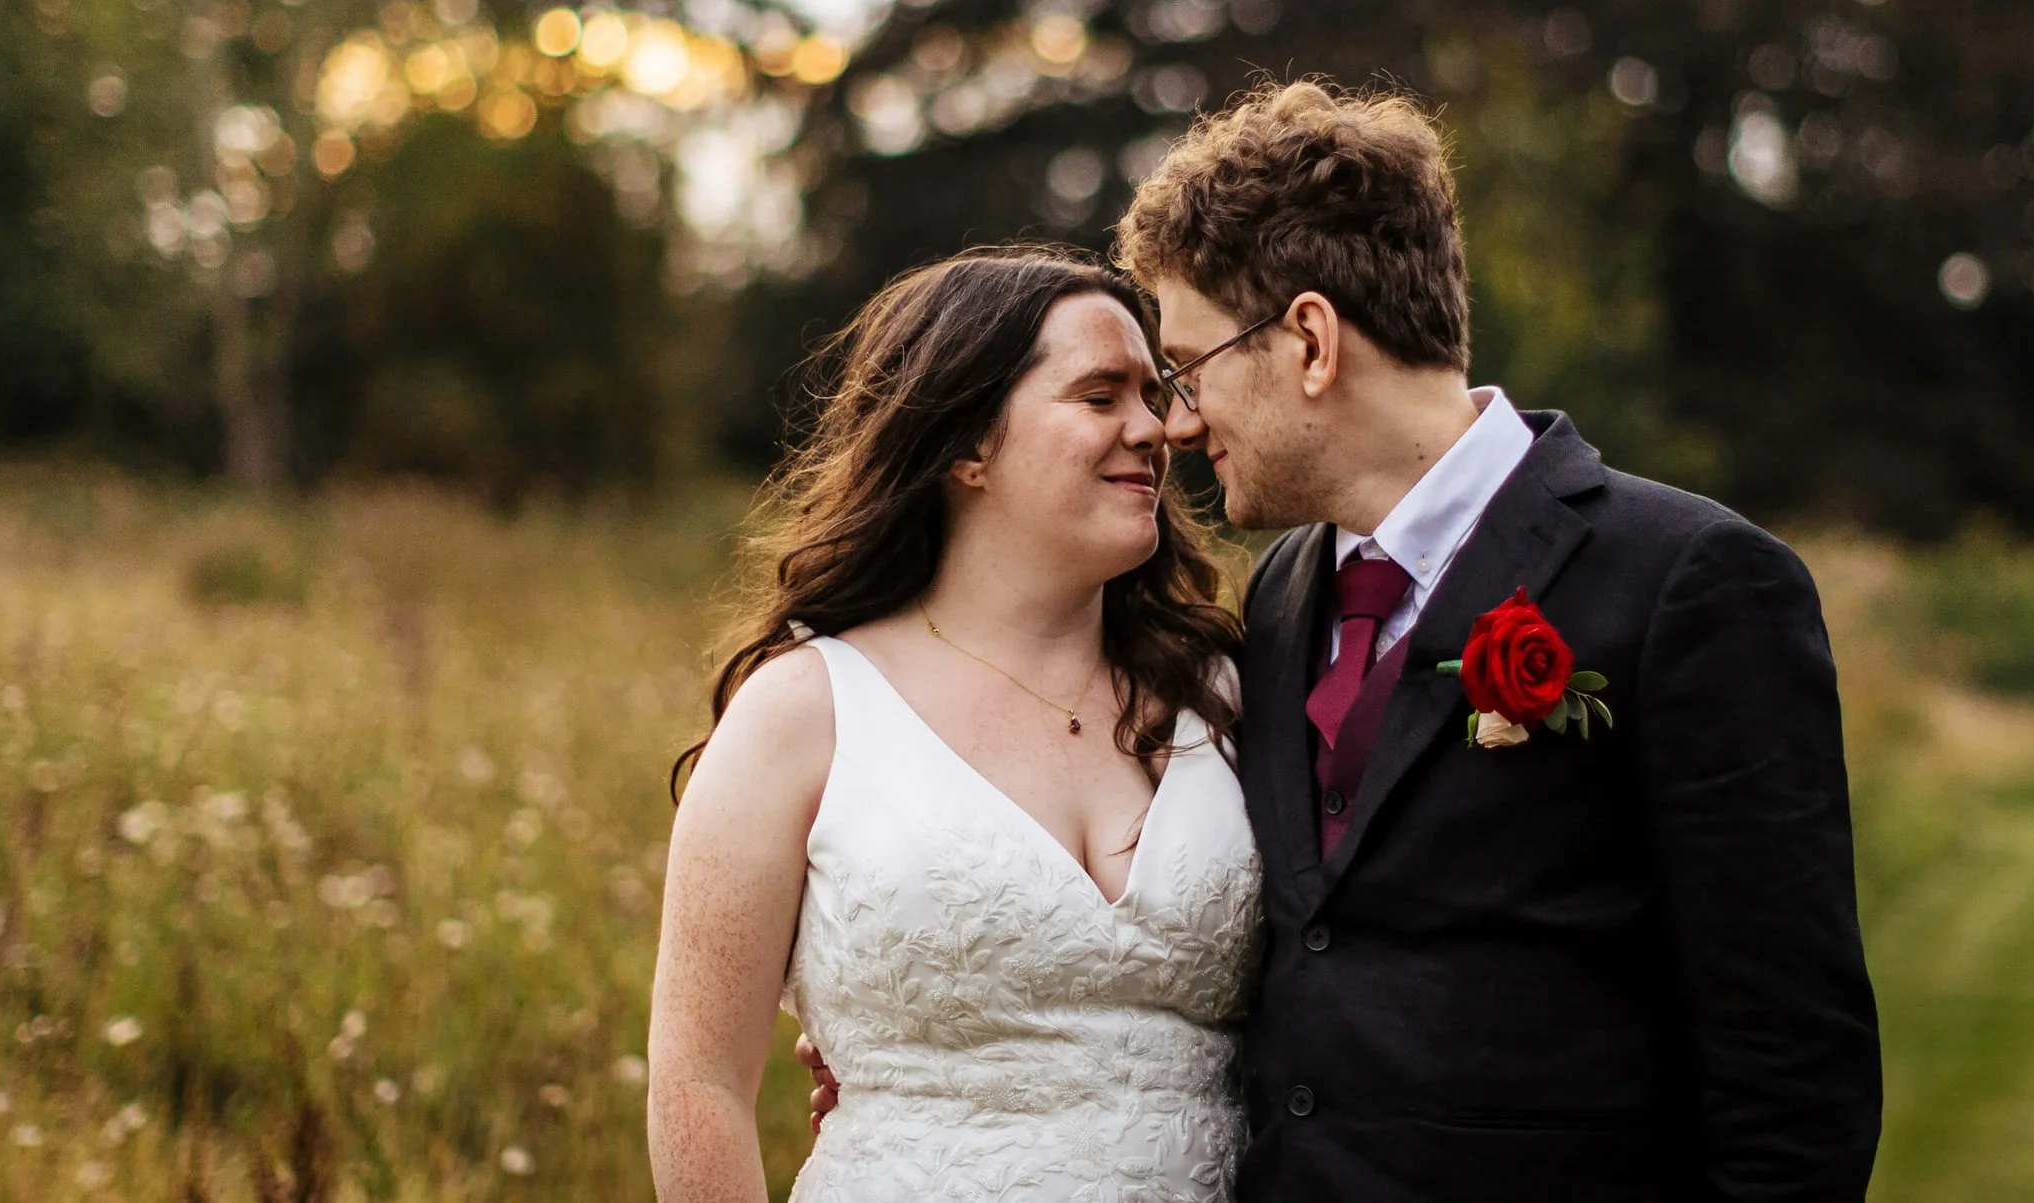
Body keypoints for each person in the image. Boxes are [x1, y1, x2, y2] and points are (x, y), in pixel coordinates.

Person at [810, 80, 1883, 1201]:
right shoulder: (1276, 600)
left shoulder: (1689, 581)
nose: (1173, 421)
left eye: (1186, 367)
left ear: (1310, 340)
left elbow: (1792, 1073)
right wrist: (943, 1042)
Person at [645, 250, 1262, 1203]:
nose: (1156, 427)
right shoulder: (807, 711)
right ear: (970, 444)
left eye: (1154, 390)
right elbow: (700, 1084)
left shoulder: (1229, 693)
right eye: (1101, 396)